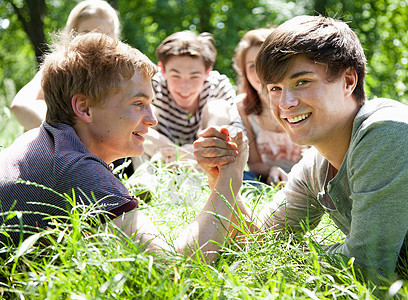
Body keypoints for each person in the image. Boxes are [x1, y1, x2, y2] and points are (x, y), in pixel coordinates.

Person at [193, 16, 408, 281]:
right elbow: (261, 237)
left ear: (348, 81)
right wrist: (224, 178)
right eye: (275, 88)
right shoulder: (317, 163)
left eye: (302, 82)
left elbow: (366, 267)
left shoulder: (391, 135)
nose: (286, 103)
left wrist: (298, 256)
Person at [0, 32, 248, 262]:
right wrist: (230, 180)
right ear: (84, 108)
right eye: (138, 103)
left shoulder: (40, 140)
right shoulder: (77, 168)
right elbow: (173, 266)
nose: (153, 120)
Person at [133, 30, 243, 167]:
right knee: (139, 112)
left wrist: (188, 152)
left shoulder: (218, 85)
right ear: (162, 70)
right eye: (176, 76)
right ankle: (146, 179)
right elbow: (127, 127)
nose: (184, 86)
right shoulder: (153, 85)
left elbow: (236, 134)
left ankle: (204, 174)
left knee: (218, 108)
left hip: (201, 163)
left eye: (194, 76)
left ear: (207, 72)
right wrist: (180, 153)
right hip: (157, 159)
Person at [9, 0, 121, 132]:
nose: (93, 41)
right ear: (73, 35)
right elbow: (20, 105)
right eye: (85, 33)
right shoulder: (59, 69)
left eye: (102, 35)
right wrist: (67, 134)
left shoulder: (121, 76)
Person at [233, 28, 309, 185]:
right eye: (252, 66)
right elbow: (253, 163)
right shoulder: (242, 106)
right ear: (244, 72)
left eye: (265, 64)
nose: (260, 73)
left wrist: (294, 178)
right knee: (240, 179)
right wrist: (272, 171)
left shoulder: (303, 99)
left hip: (307, 176)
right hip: (267, 180)